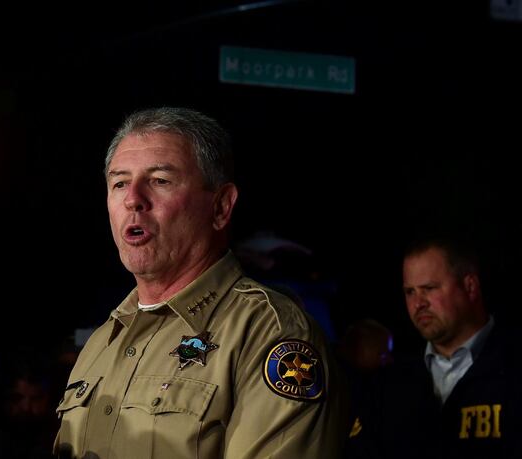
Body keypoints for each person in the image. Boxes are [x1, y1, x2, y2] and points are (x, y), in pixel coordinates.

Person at [54, 107, 347, 458]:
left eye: (160, 181)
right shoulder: (100, 343)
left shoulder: (270, 332)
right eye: (119, 183)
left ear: (221, 207)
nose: (132, 199)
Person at [347, 237, 521, 458]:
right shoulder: (389, 384)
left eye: (429, 288)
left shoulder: (513, 365)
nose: (418, 304)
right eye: (410, 292)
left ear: (470, 286)